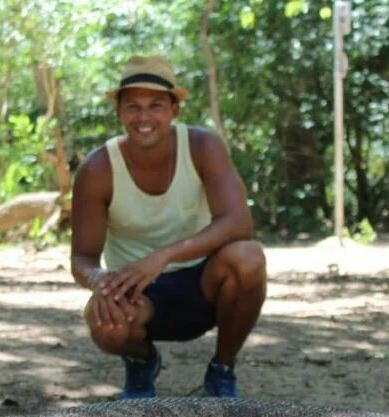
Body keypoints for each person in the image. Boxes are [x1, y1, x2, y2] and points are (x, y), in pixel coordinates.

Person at [70, 55, 266, 399]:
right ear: (118, 112)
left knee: (249, 258)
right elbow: (82, 258)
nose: (144, 117)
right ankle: (141, 362)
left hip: (204, 281)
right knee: (103, 320)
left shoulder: (203, 147)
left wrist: (163, 256)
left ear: (174, 109)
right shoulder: (98, 169)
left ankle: (222, 369)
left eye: (156, 105)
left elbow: (239, 223)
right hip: (136, 290)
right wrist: (99, 281)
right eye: (133, 107)